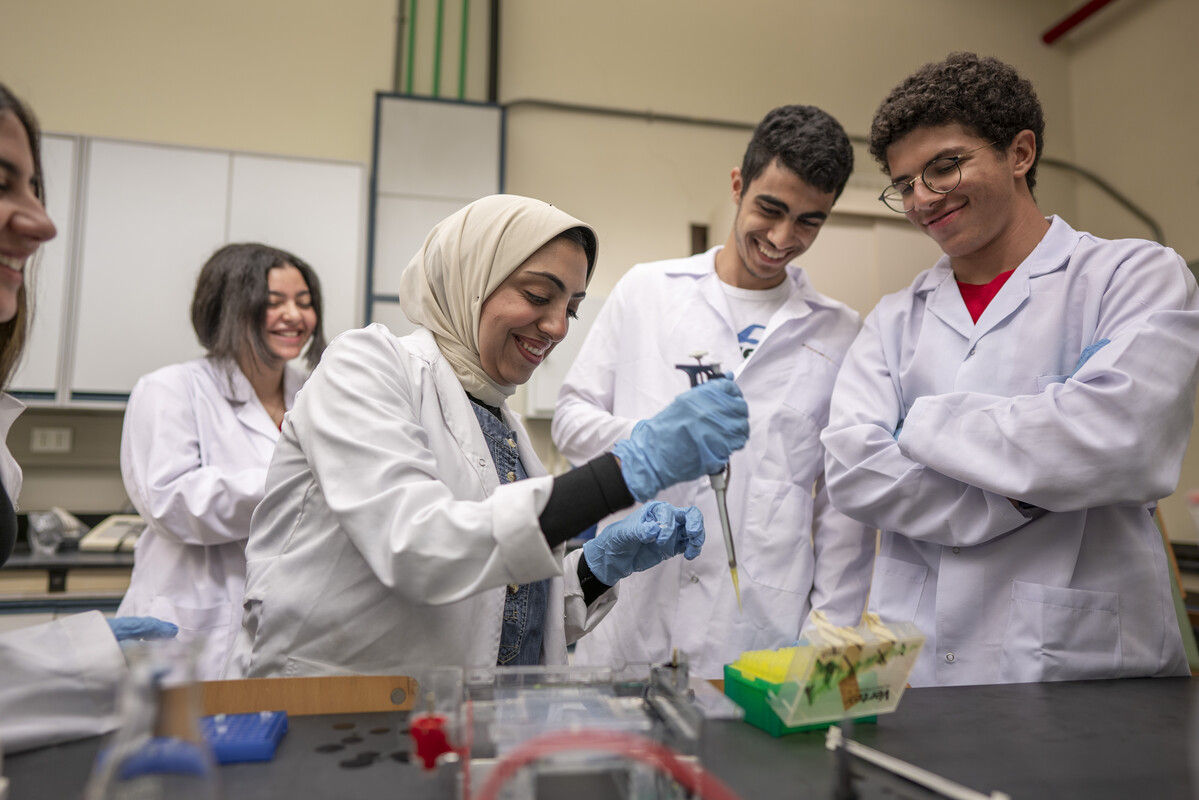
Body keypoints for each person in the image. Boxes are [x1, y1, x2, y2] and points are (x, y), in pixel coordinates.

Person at [226, 194, 749, 677]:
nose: (558, 327)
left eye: (569, 308)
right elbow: (418, 548)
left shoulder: (503, 427)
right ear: (469, 277)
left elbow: (499, 617)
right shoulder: (366, 365)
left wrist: (595, 568)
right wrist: (624, 471)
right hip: (326, 714)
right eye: (538, 295)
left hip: (448, 729)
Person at [821, 52, 1199, 686]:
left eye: (944, 166)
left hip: (1085, 661)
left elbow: (1120, 440)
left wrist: (923, 425)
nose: (922, 199)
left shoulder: (1134, 277)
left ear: (1019, 152)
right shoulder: (892, 320)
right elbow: (855, 472)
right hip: (919, 662)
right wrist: (1028, 491)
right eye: (905, 182)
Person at [552, 105, 876, 679]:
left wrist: (829, 637)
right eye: (770, 209)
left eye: (808, 221)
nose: (782, 238)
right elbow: (570, 421)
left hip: (755, 634)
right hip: (628, 616)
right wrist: (653, 442)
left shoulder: (839, 333)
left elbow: (840, 509)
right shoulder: (647, 292)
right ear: (737, 185)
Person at [0, 83, 175, 755]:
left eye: (36, 188)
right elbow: (177, 501)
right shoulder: (170, 387)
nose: (43, 222)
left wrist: (76, 653)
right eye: (1, 181)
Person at [116, 242, 326, 680]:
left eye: (304, 303)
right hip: (196, 626)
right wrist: (304, 485)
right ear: (230, 308)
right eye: (275, 303)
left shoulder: (318, 393)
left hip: (295, 625)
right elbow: (170, 502)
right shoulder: (171, 389)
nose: (295, 316)